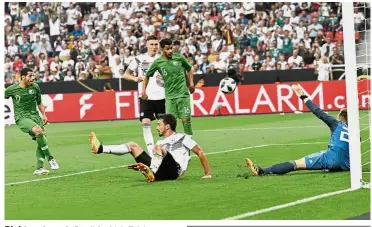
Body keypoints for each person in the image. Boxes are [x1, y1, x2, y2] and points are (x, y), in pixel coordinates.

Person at [245, 84, 349, 176]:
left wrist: (302, 96)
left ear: (340, 117)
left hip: (330, 159)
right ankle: (331, 167)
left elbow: (318, 111)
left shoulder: (336, 124)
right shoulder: (355, 134)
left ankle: (262, 171)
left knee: (296, 164)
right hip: (347, 165)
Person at [88, 114, 211, 182]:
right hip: (160, 172)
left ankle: (151, 171)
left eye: (159, 125)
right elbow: (155, 156)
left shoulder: (182, 137)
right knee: (133, 146)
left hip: (175, 171)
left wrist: (207, 173)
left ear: (167, 126)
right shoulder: (161, 142)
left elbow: (199, 151)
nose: (157, 127)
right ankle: (101, 148)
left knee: (158, 148)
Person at [5, 68, 59, 175]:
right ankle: (50, 158)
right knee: (38, 131)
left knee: (42, 139)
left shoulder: (35, 87)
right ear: (23, 77)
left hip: (35, 116)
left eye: (33, 75)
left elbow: (39, 102)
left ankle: (39, 168)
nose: (33, 78)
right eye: (30, 76)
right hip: (22, 117)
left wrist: (44, 115)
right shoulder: (11, 89)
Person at [123, 35, 165, 158]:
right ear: (147, 45)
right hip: (145, 96)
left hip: (161, 96)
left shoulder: (162, 59)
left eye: (156, 44)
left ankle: (169, 150)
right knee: (145, 122)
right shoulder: (139, 59)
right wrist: (135, 78)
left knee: (165, 126)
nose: (154, 47)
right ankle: (152, 152)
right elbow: (126, 75)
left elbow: (170, 76)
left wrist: (164, 78)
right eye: (151, 44)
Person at [143, 39, 195, 136]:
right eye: (167, 49)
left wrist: (191, 83)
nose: (170, 51)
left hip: (183, 95)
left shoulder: (179, 58)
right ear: (162, 49)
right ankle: (172, 147)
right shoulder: (158, 62)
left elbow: (190, 68)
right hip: (170, 97)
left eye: (171, 48)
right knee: (170, 124)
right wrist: (143, 92)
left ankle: (189, 145)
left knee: (186, 120)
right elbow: (147, 76)